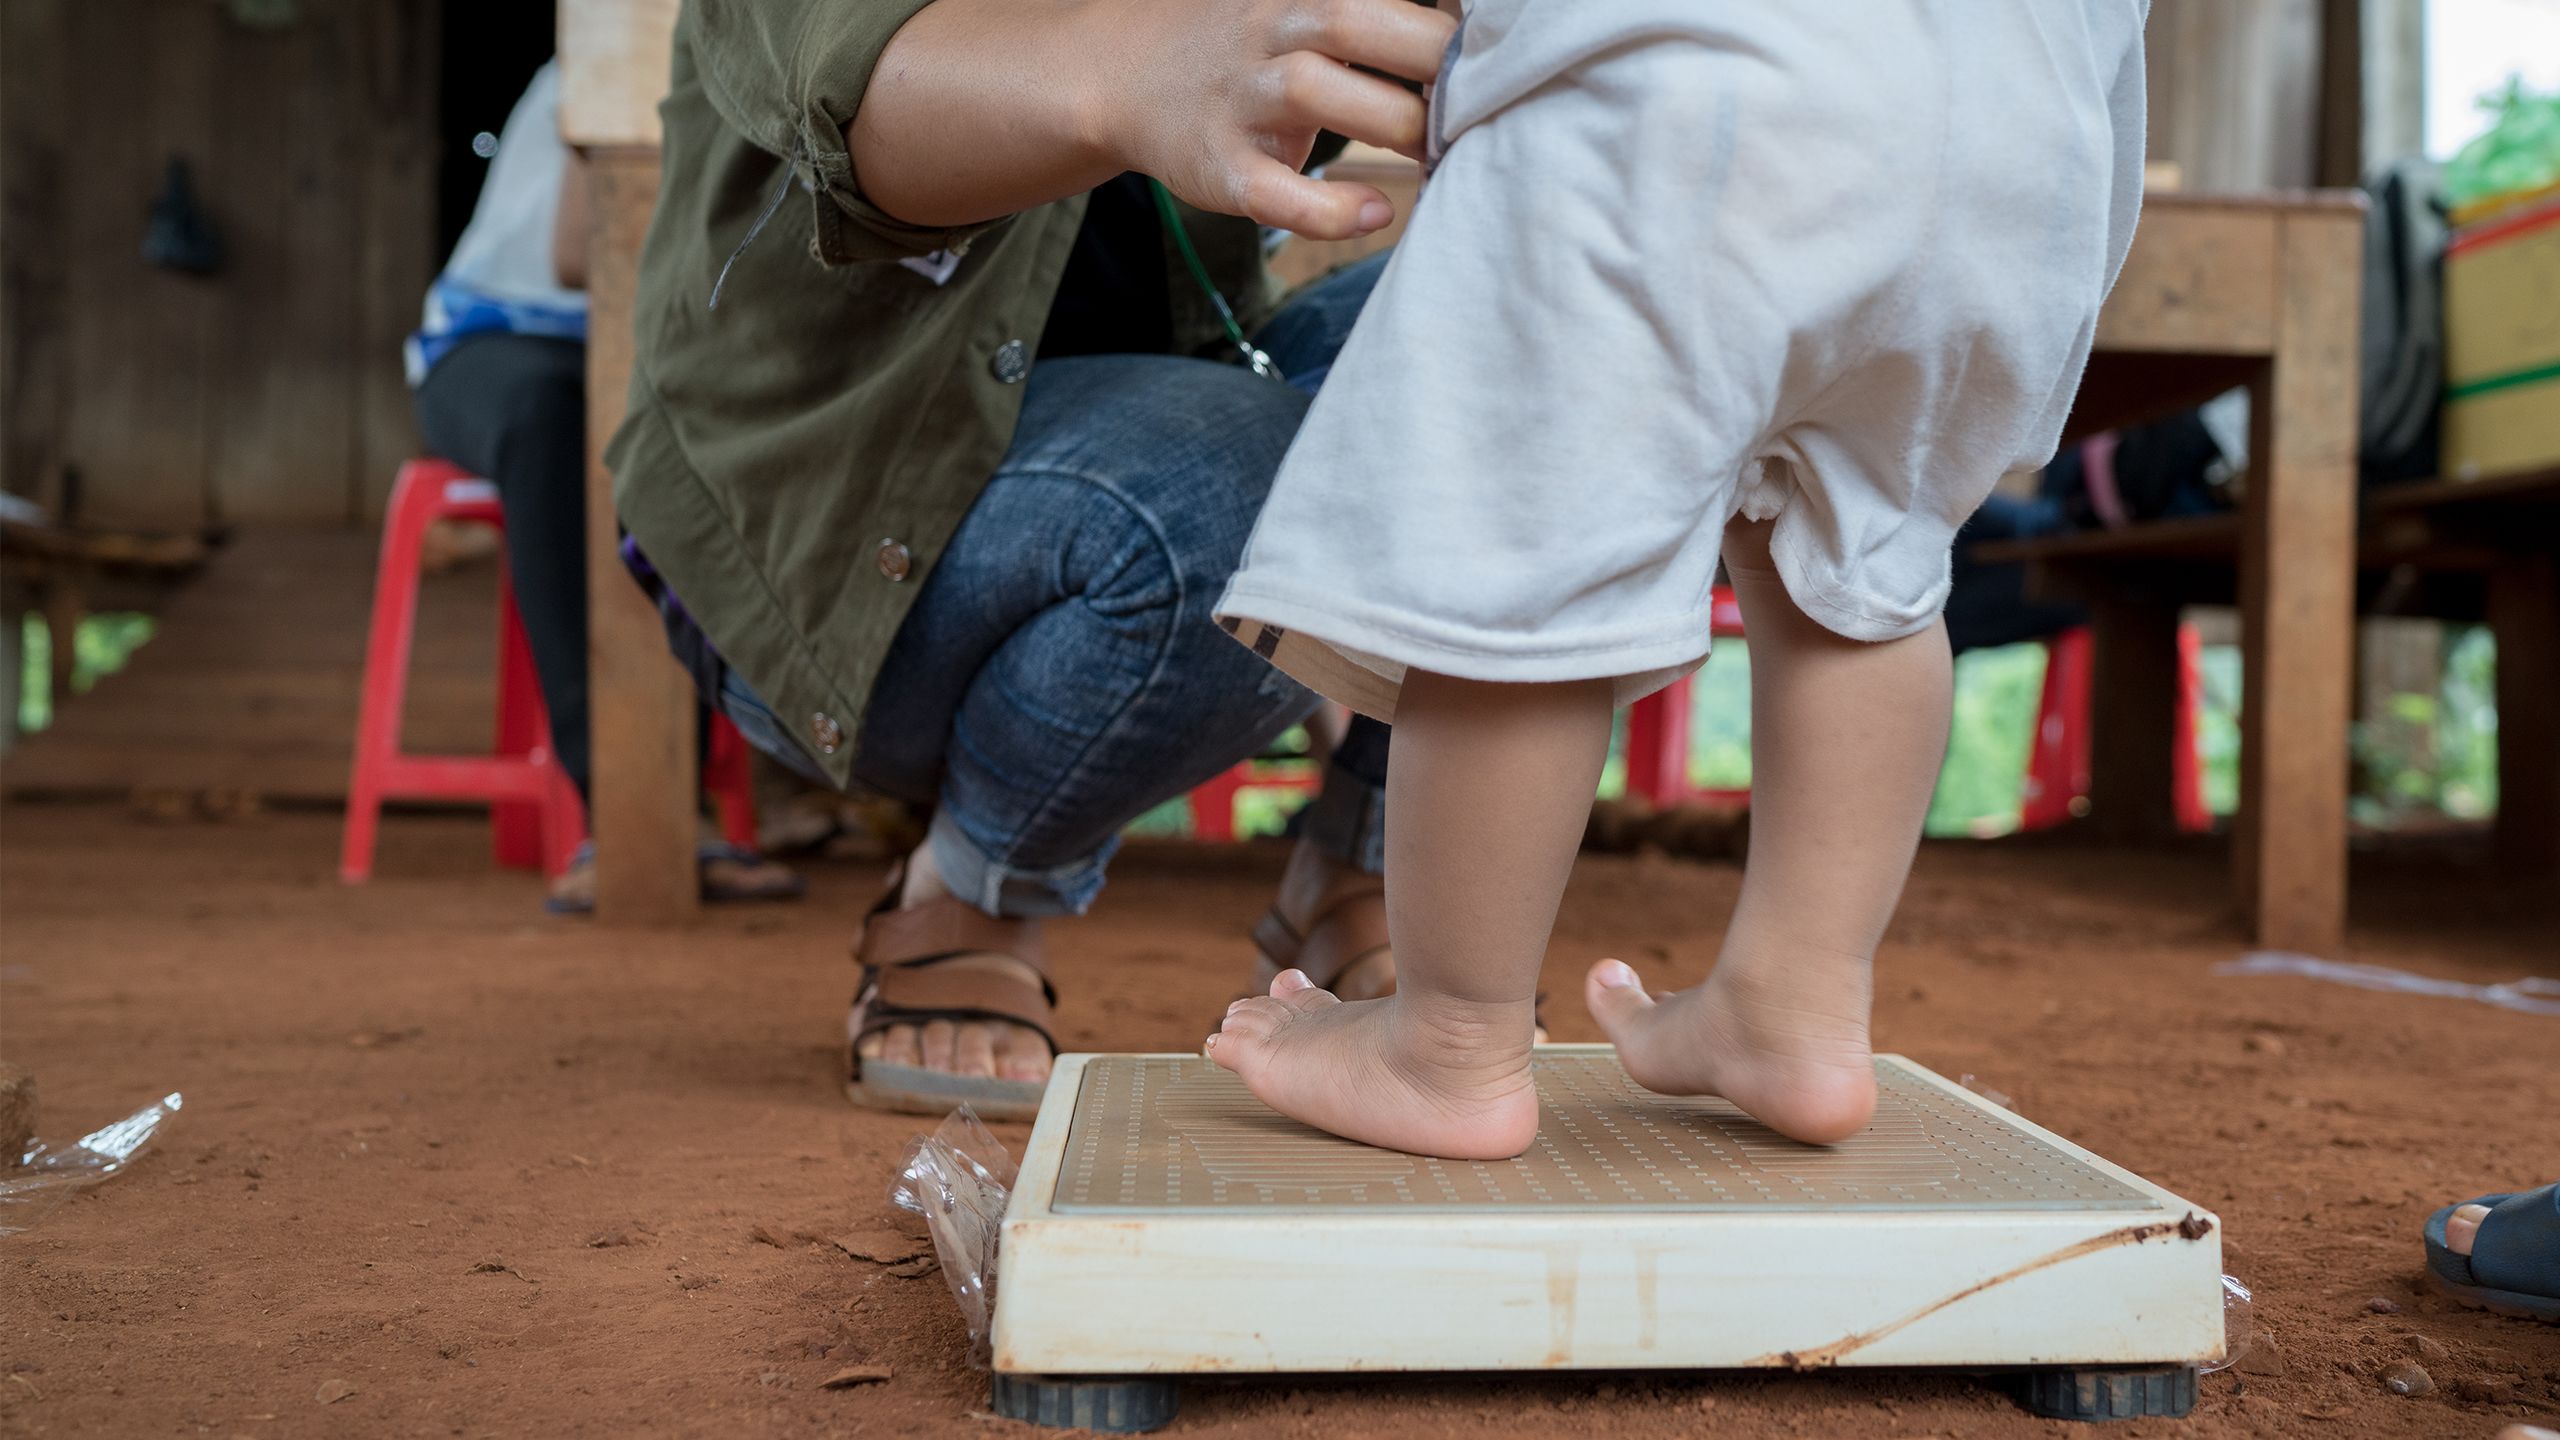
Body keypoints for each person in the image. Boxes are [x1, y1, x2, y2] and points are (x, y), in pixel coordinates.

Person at [1208, 0, 2149, 1158]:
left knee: (1524, 560)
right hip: (2011, 172)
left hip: (1687, 108)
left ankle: (1447, 1046)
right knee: (1868, 566)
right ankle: (1797, 1009)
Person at [608, 0, 1463, 1116]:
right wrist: (1129, 79)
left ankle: (1369, 862)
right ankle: (969, 890)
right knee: (1258, 493)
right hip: (830, 539)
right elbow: (864, 102)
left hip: (1162, 444)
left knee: (1570, 327)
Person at [409, 60, 799, 914]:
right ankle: (618, 809)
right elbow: (584, 252)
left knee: (692, 429)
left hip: (644, 346)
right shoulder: (617, 41)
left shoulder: (786, 53)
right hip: (498, 343)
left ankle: (696, 796)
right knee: (558, 425)